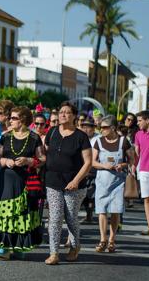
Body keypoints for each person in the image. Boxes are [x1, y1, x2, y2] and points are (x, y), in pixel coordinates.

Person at [0, 106, 45, 260]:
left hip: (26, 181)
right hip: (6, 180)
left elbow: (43, 159)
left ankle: (18, 246)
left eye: (14, 118)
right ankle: (4, 246)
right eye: (10, 117)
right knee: (6, 213)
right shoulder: (6, 136)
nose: (10, 120)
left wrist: (29, 160)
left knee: (22, 214)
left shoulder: (34, 138)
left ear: (22, 120)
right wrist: (5, 160)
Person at [43, 102, 92, 265]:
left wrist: (76, 181)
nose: (63, 115)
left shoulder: (81, 136)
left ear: (74, 116)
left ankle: (75, 246)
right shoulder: (52, 131)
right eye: (61, 112)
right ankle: (54, 253)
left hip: (74, 184)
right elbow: (45, 153)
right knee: (55, 217)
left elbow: (88, 162)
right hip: (53, 181)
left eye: (67, 112)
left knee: (71, 217)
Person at [92, 115, 134, 253]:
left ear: (113, 128)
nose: (101, 129)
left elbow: (132, 160)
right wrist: (104, 165)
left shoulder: (124, 142)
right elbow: (92, 162)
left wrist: (122, 164)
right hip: (102, 181)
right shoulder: (98, 141)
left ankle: (112, 240)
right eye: (101, 127)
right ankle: (103, 239)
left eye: (104, 127)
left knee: (115, 211)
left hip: (118, 182)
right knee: (102, 211)